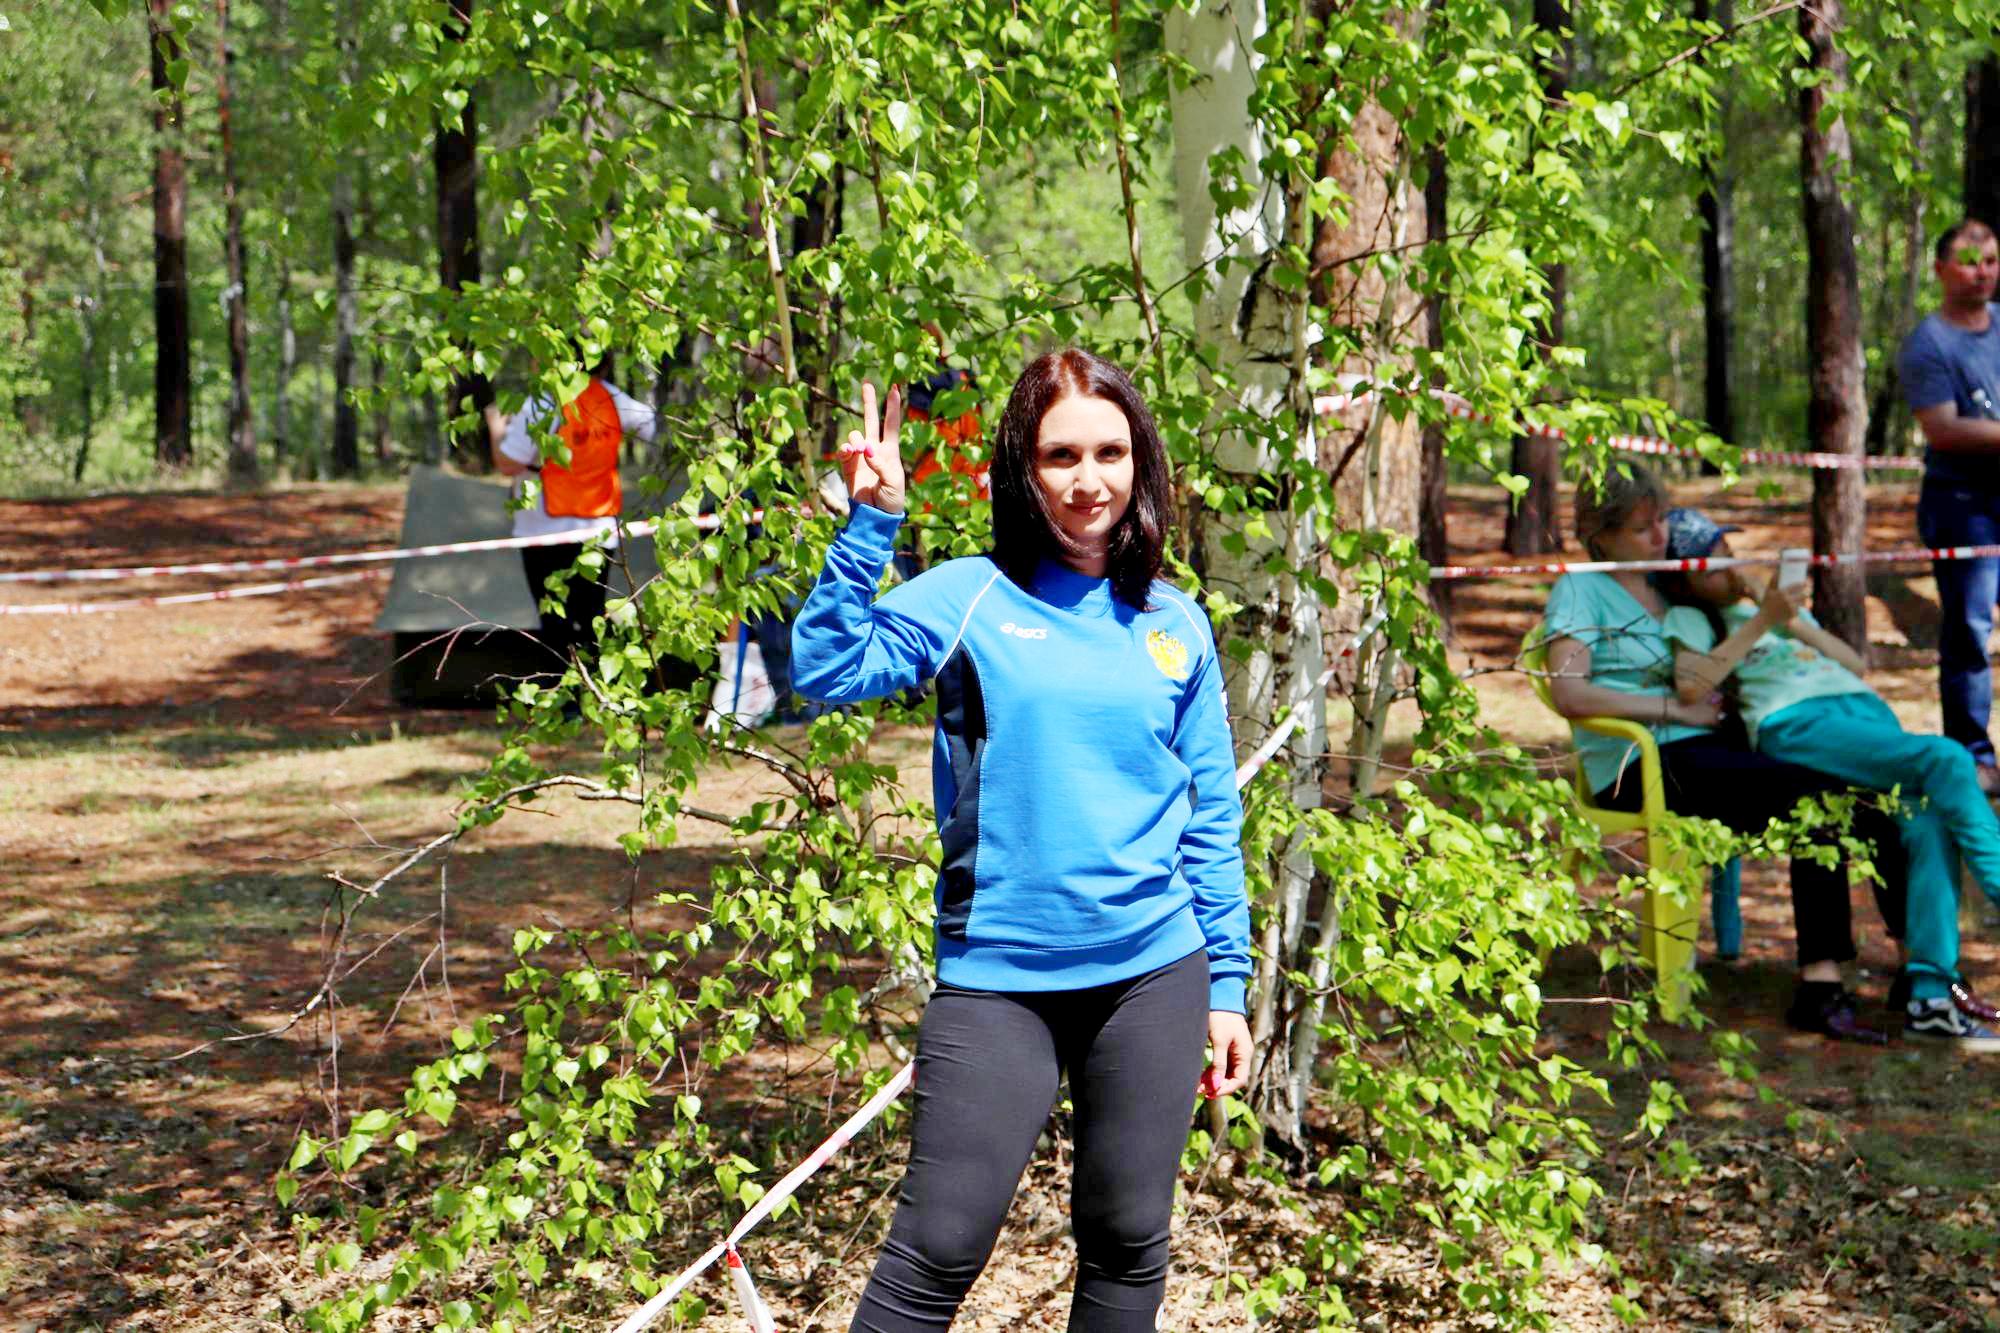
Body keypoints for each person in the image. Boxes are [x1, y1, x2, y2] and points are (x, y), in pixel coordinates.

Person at [791, 349, 1254, 1332]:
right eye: (1060, 456)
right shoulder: (970, 596)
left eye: (1110, 452)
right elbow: (825, 669)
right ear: (1021, 467)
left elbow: (1211, 815)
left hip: (1154, 975)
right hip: (998, 978)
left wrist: (1226, 986)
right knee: (935, 1250)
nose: (1089, 481)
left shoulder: (1175, 622)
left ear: (1140, 462)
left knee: (1127, 1240)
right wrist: (870, 524)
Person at [1540, 464, 1903, 1043]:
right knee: (1816, 802)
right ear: (1599, 534)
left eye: (1661, 520)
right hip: (1637, 764)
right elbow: (1570, 693)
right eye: (1641, 527)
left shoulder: (1666, 581)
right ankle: (1820, 986)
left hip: (1707, 748)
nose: (1659, 536)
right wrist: (1673, 710)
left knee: (1865, 796)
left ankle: (1919, 969)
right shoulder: (1580, 590)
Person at [1657, 508, 2000, 1050]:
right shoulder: (1694, 618)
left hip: (1862, 715)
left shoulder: (1771, 609)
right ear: (1684, 579)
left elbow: (1852, 663)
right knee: (1949, 758)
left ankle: (1931, 998)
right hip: (1797, 723)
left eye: (1728, 552)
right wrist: (1761, 621)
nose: (1730, 565)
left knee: (1927, 822)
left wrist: (1789, 619)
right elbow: (1692, 686)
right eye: (1713, 561)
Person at [1899, 218, 2000, 793]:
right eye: (1968, 261)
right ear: (1940, 270)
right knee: (1968, 632)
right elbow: (1942, 428)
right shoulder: (1929, 343)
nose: (1981, 272)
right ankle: (1973, 758)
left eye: (1990, 261)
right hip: (1963, 507)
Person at [486, 353, 657, 675]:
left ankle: (565, 693)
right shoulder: (608, 395)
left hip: (544, 529)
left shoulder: (543, 402)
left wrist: (496, 428)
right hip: (598, 524)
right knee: (591, 615)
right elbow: (650, 423)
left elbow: (508, 463)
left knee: (554, 621)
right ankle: (597, 687)